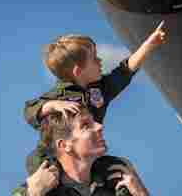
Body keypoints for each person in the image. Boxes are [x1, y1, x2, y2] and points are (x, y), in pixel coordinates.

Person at [24, 21, 166, 175]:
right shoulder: (59, 97)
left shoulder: (99, 91)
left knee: (119, 169)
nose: (100, 61)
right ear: (78, 71)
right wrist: (51, 106)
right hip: (48, 161)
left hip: (83, 158)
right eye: (94, 59)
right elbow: (29, 110)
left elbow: (124, 72)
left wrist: (149, 44)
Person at [12, 106, 149, 196]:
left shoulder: (114, 178)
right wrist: (33, 193)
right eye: (85, 125)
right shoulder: (43, 186)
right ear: (64, 144)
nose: (99, 126)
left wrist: (141, 194)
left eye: (94, 121)